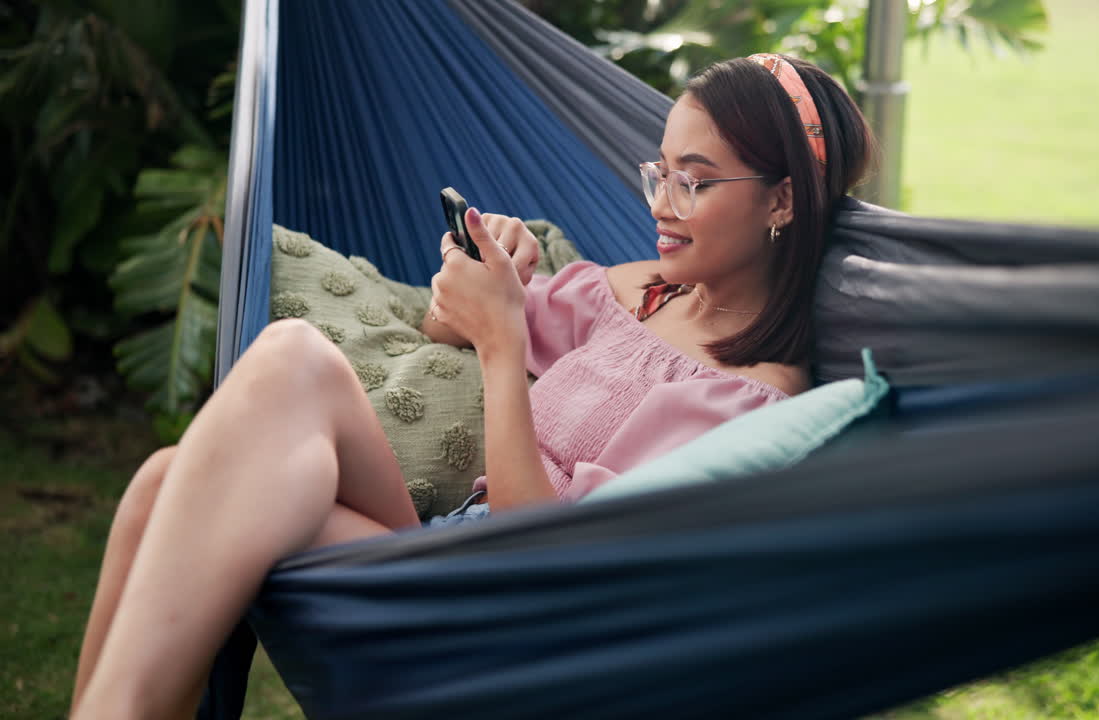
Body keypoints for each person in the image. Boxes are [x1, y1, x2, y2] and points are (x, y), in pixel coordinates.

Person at [70, 53, 874, 718]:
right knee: (165, 478)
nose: (660, 205)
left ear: (781, 200)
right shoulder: (645, 291)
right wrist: (500, 274)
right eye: (657, 173)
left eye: (692, 183)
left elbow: (545, 569)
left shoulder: (742, 401)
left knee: (283, 369)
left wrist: (503, 343)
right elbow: (445, 325)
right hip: (447, 548)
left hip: (495, 625)